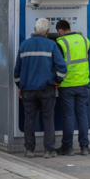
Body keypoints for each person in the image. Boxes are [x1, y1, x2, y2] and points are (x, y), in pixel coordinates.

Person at [14, 18, 67, 158]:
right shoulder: (52, 44)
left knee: (29, 119)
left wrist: (20, 86)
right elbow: (62, 67)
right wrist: (58, 80)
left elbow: (17, 71)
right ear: (48, 31)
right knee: (48, 118)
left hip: (28, 90)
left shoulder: (24, 45)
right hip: (47, 88)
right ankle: (49, 150)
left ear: (35, 29)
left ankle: (29, 150)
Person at [54, 20, 90, 156]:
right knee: (82, 116)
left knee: (68, 117)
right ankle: (84, 147)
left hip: (67, 85)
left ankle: (68, 147)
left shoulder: (60, 42)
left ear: (60, 30)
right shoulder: (85, 40)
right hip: (83, 83)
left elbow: (58, 65)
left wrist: (57, 80)